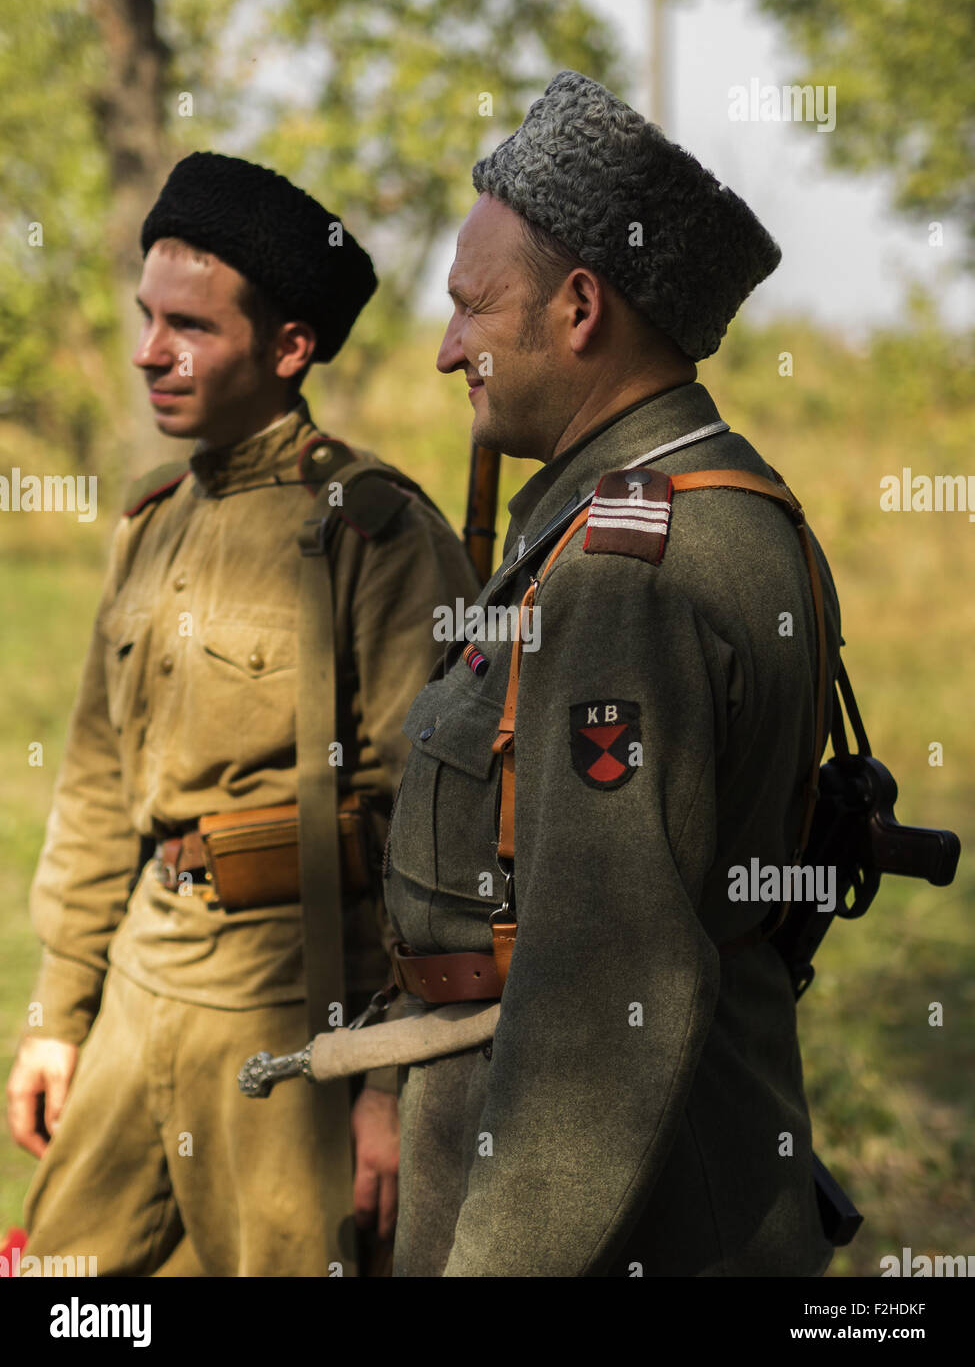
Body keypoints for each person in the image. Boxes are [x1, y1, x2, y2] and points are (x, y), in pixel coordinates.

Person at [383, 71, 842, 1276]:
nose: (447, 352)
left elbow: (602, 990)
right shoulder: (709, 502)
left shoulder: (625, 571)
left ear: (580, 307)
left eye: (472, 309)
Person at [5, 151, 479, 1276]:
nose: (146, 353)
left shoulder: (379, 535)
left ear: (290, 348)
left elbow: (438, 834)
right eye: (145, 318)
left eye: (190, 328)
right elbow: (94, 785)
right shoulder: (152, 521)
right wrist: (56, 1016)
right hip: (139, 982)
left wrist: (386, 1086)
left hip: (289, 1007)